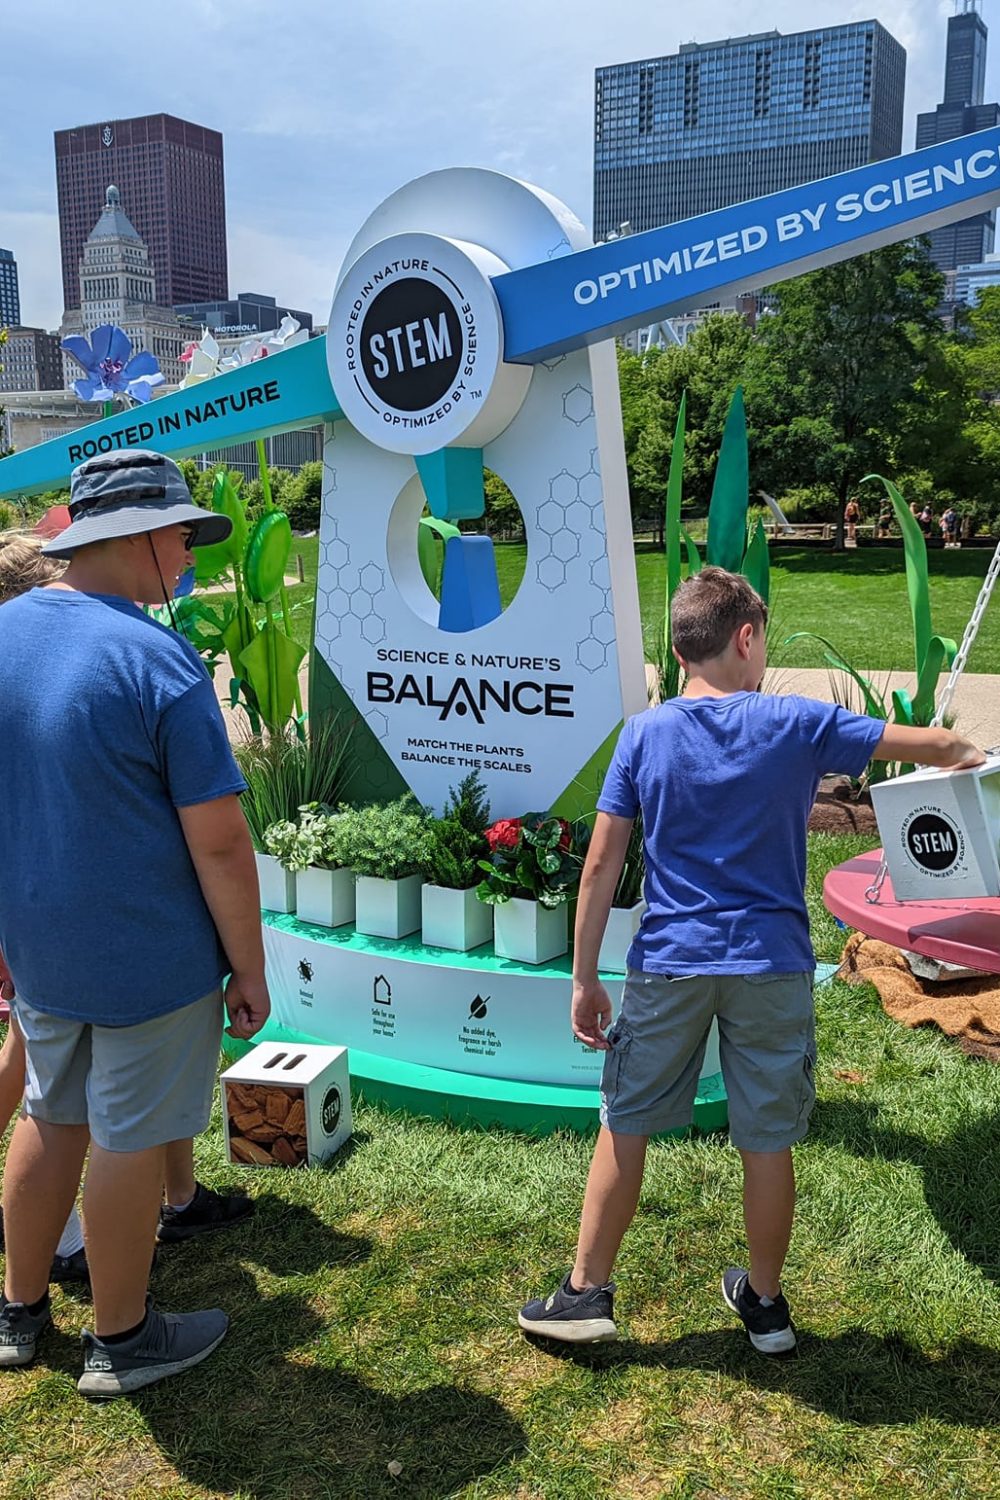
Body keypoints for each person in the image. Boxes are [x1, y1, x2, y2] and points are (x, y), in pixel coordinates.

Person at [518, 567, 984, 1354]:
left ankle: (584, 1294)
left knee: (624, 1124)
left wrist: (584, 976)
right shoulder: (795, 722)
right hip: (771, 965)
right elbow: (936, 745)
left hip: (669, 963)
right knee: (766, 1141)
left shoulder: (643, 734)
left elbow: (600, 869)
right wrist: (972, 753)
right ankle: (765, 1307)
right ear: (746, 637)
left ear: (681, 647)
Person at [0, 451, 270, 1397]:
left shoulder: (2, 633)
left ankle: (20, 1311)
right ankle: (121, 1337)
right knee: (125, 1133)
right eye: (186, 536)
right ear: (148, 537)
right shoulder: (159, 660)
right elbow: (223, 848)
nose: (189, 554)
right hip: (146, 955)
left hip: (38, 943)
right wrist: (251, 969)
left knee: (48, 1114)